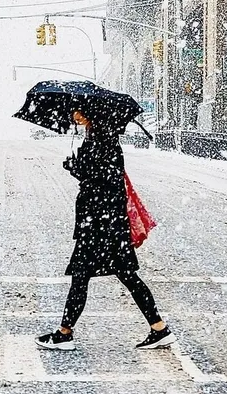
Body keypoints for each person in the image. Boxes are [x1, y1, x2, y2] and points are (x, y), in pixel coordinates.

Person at [35, 109, 174, 351]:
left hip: (102, 224)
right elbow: (101, 176)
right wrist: (79, 167)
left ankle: (65, 333)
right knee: (124, 275)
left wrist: (77, 168)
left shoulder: (102, 139)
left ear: (89, 113)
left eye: (77, 112)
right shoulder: (98, 136)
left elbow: (104, 180)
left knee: (84, 276)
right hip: (105, 223)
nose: (73, 116)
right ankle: (159, 327)